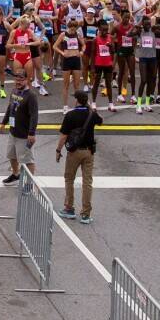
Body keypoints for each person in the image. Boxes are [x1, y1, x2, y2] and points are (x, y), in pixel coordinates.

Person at [56, 88, 102, 224]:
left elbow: (63, 136)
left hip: (74, 152)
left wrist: (58, 151)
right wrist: (91, 110)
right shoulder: (91, 114)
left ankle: (69, 208)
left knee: (69, 179)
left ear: (76, 100)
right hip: (89, 152)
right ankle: (86, 214)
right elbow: (101, 121)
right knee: (87, 183)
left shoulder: (70, 115)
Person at [0, 72, 38, 184]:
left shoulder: (31, 96)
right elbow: (9, 107)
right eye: (16, 80)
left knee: (28, 160)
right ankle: (15, 174)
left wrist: (32, 133)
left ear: (27, 80)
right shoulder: (14, 91)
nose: (18, 82)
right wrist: (4, 122)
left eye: (21, 80)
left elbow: (34, 115)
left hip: (24, 135)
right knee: (12, 155)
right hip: (13, 132)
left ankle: (29, 183)